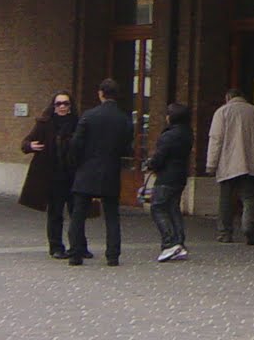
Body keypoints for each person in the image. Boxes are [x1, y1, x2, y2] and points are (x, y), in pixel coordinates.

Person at [67, 78, 135, 267]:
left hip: (86, 171)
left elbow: (75, 144)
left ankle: (75, 254)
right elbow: (127, 148)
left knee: (78, 214)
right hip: (110, 172)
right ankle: (113, 255)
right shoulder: (124, 119)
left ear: (100, 93)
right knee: (112, 215)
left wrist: (77, 163)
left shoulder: (89, 116)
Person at [206, 87, 254, 245]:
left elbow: (216, 140)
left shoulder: (222, 112)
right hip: (250, 164)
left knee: (226, 200)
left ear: (228, 97)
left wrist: (211, 164)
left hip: (228, 163)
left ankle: (225, 233)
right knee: (249, 198)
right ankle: (248, 228)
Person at [18, 90, 79, 258]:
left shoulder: (77, 123)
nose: (62, 107)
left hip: (73, 175)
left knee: (77, 213)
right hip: (53, 176)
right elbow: (25, 143)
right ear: (53, 106)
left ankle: (78, 246)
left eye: (65, 103)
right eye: (58, 104)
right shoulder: (45, 123)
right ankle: (56, 247)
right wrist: (31, 146)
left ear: (70, 106)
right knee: (55, 213)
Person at [146, 102, 193, 262]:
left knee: (158, 207)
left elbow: (160, 157)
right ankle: (179, 243)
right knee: (173, 208)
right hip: (180, 176)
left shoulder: (169, 136)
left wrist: (151, 165)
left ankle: (170, 243)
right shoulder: (188, 133)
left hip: (166, 176)